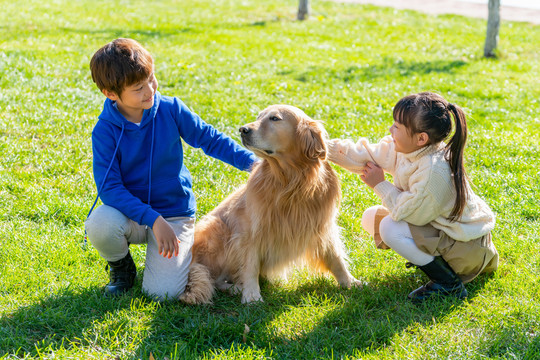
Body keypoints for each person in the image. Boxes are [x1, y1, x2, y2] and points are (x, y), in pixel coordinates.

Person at [85, 38, 258, 300]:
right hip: (132, 215)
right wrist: (152, 219)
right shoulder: (104, 131)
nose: (150, 90)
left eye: (151, 79)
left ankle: (161, 265)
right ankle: (122, 267)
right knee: (100, 223)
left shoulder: (171, 109)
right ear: (111, 93)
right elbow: (109, 189)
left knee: (163, 294)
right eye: (138, 88)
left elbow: (210, 139)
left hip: (174, 215)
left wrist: (256, 165)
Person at [327, 92, 498, 302]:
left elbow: (409, 214)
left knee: (389, 227)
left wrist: (379, 184)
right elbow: (364, 154)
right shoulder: (407, 149)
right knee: (371, 217)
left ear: (421, 138)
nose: (391, 130)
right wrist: (322, 146)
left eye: (397, 127)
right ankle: (432, 262)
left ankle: (448, 283)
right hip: (449, 234)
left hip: (467, 249)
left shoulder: (433, 171)